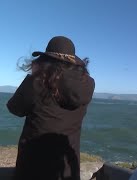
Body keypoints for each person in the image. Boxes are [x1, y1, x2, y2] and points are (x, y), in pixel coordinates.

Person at [7, 36, 95, 180]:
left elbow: (14, 108)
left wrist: (32, 76)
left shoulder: (37, 81)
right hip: (66, 169)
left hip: (32, 168)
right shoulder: (88, 84)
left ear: (46, 59)